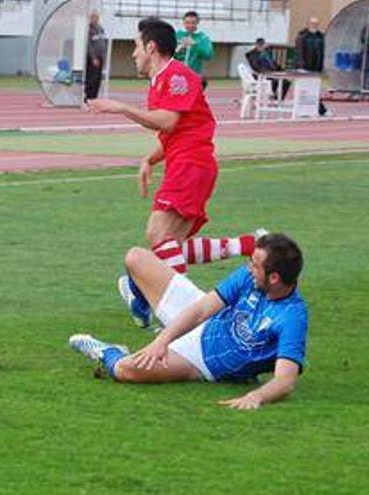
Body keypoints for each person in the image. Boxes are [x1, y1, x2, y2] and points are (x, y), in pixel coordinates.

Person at [87, 17, 259, 327]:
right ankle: (245, 245)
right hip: (188, 163)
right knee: (169, 247)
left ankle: (187, 318)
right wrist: (150, 160)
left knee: (156, 234)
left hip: (191, 165)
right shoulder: (159, 83)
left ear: (151, 47)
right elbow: (174, 133)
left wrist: (121, 108)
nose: (133, 53)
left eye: (137, 46)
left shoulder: (177, 75)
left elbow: (167, 122)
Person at [69, 233, 308, 411]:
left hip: (201, 361)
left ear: (274, 277)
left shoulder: (291, 317)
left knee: (125, 370)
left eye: (255, 265)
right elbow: (204, 307)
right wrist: (162, 341)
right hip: (201, 320)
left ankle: (107, 351)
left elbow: (285, 380)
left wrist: (257, 396)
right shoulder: (249, 277)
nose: (249, 267)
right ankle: (138, 297)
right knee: (136, 258)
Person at [294, 18, 328, 116]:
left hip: (316, 67)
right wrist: (300, 66)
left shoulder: (320, 36)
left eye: (316, 23)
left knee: (315, 89)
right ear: (308, 24)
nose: (314, 25)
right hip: (305, 67)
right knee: (304, 89)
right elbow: (299, 52)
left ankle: (318, 109)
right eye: (312, 23)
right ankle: (316, 109)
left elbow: (322, 52)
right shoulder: (302, 36)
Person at [174, 10, 213, 89]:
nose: (190, 25)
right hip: (177, 77)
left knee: (193, 100)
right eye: (187, 23)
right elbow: (168, 55)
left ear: (197, 23)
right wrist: (179, 47)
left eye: (193, 23)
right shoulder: (177, 35)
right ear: (183, 23)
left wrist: (195, 45)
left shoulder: (202, 37)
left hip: (194, 76)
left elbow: (208, 55)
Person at [83, 10, 106, 101]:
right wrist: (93, 58)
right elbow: (88, 45)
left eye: (96, 17)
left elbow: (103, 42)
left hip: (100, 57)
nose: (95, 19)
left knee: (98, 79)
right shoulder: (88, 29)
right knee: (91, 78)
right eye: (93, 17)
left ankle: (94, 97)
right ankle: (88, 97)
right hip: (93, 58)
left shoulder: (100, 28)